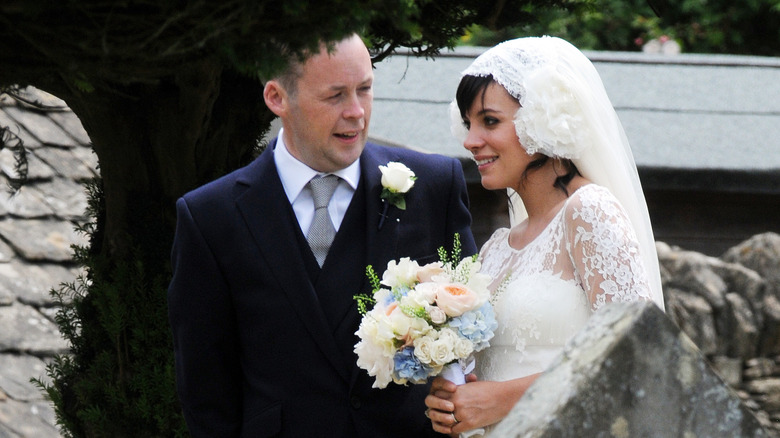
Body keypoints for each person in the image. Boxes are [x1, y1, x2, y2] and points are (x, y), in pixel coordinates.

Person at [167, 33, 477, 437]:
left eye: (365, 90)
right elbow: (205, 388)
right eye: (335, 96)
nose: (356, 113)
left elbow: (473, 338)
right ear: (277, 98)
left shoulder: (432, 186)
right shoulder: (211, 216)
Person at [424, 36, 666, 436]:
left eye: (489, 121)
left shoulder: (589, 213)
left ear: (541, 118)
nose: (469, 141)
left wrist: (501, 399)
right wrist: (454, 399)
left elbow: (636, 356)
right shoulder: (496, 248)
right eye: (468, 124)